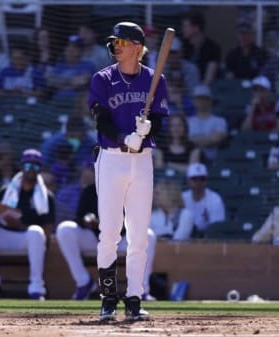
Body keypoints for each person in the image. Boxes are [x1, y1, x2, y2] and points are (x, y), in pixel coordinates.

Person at [88, 21, 169, 321]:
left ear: (137, 47)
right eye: (114, 42)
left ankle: (134, 298)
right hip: (111, 159)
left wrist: (146, 132)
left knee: (138, 235)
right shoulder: (102, 78)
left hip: (142, 160)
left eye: (122, 42)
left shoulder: (155, 79)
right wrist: (125, 138)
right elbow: (101, 119)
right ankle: (108, 299)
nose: (115, 47)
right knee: (109, 233)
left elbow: (160, 118)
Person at [0, 149, 55, 300]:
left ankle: (36, 288)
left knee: (36, 231)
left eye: (35, 166)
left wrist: (21, 225)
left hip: (27, 240)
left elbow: (47, 229)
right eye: (28, 165)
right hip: (4, 236)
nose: (31, 169)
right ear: (21, 166)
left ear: (40, 170)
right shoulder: (6, 191)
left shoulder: (46, 197)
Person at [56, 180, 157, 301]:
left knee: (148, 235)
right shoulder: (89, 190)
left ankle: (141, 290)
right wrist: (87, 220)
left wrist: (108, 224)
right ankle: (84, 282)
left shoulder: (126, 190)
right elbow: (79, 217)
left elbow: (133, 220)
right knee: (64, 229)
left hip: (121, 240)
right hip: (95, 239)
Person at [181, 163, 226, 238]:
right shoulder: (182, 197)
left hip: (207, 239)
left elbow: (216, 227)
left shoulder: (215, 199)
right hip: (184, 237)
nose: (198, 182)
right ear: (188, 180)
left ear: (206, 180)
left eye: (202, 179)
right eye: (194, 179)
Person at [187, 84, 228, 164]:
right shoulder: (187, 121)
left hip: (214, 161)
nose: (201, 101)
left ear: (210, 101)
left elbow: (216, 139)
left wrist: (194, 139)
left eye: (204, 98)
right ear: (194, 101)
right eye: (198, 98)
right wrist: (209, 138)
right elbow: (186, 141)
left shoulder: (220, 121)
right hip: (191, 161)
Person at [180, 11, 221, 85]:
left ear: (196, 28)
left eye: (186, 26)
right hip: (184, 88)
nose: (183, 29)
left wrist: (200, 91)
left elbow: (209, 76)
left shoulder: (213, 48)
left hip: (204, 90)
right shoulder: (184, 46)